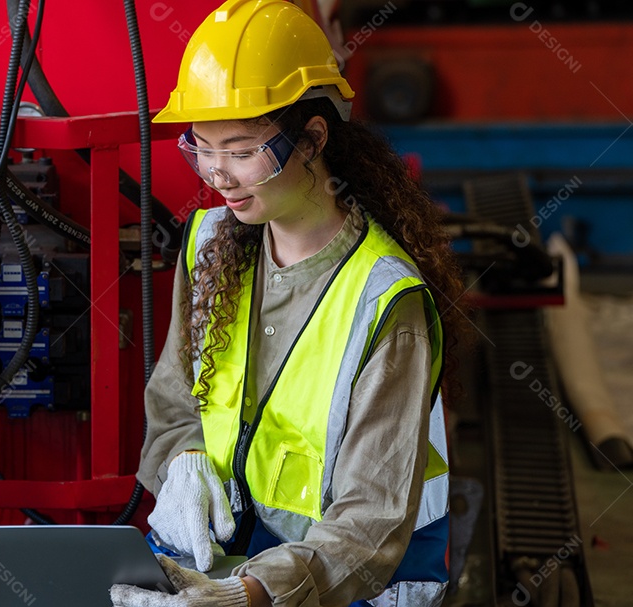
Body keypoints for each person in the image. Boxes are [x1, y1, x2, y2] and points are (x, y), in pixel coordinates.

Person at [110, 2, 465, 606]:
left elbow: (368, 523)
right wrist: (184, 461)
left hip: (350, 586)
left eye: (243, 150)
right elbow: (175, 404)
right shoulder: (209, 243)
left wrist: (251, 594)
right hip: (219, 563)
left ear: (312, 140)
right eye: (201, 147)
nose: (218, 175)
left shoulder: (384, 299)